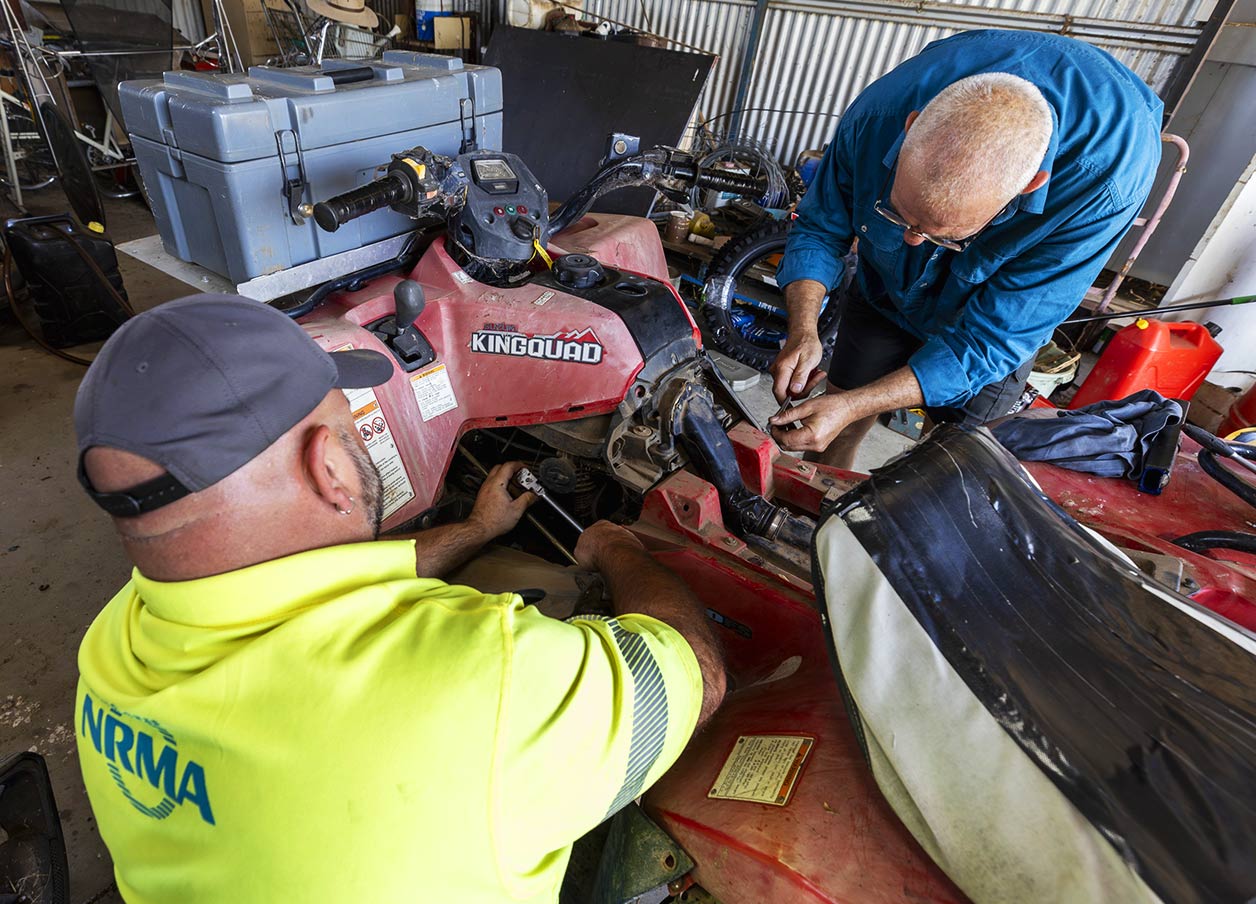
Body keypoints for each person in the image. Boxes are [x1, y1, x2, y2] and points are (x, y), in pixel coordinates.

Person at [72, 295, 726, 903]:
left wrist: (477, 530)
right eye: (351, 420)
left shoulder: (111, 645)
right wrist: (619, 550)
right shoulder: (477, 683)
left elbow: (335, 582)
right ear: (328, 467)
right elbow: (696, 675)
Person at [768, 29, 1164, 468]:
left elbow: (993, 339)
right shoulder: (875, 117)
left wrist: (855, 405)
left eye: (943, 235)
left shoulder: (1102, 187)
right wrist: (804, 330)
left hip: (989, 321)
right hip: (883, 291)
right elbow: (821, 226)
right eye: (898, 215)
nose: (914, 240)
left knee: (947, 464)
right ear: (911, 128)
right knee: (838, 420)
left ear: (1029, 186)